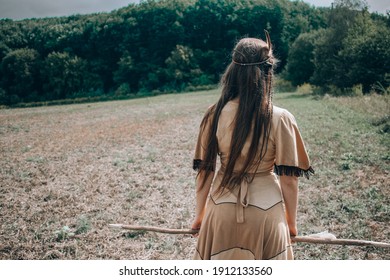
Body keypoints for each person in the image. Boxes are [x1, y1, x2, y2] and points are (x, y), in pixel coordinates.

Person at [191, 31, 314, 260]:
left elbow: (205, 172)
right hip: (267, 215)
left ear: (233, 71)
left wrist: (200, 216)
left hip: (220, 211)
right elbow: (289, 179)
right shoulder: (281, 118)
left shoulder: (213, 114)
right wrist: (291, 223)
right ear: (267, 73)